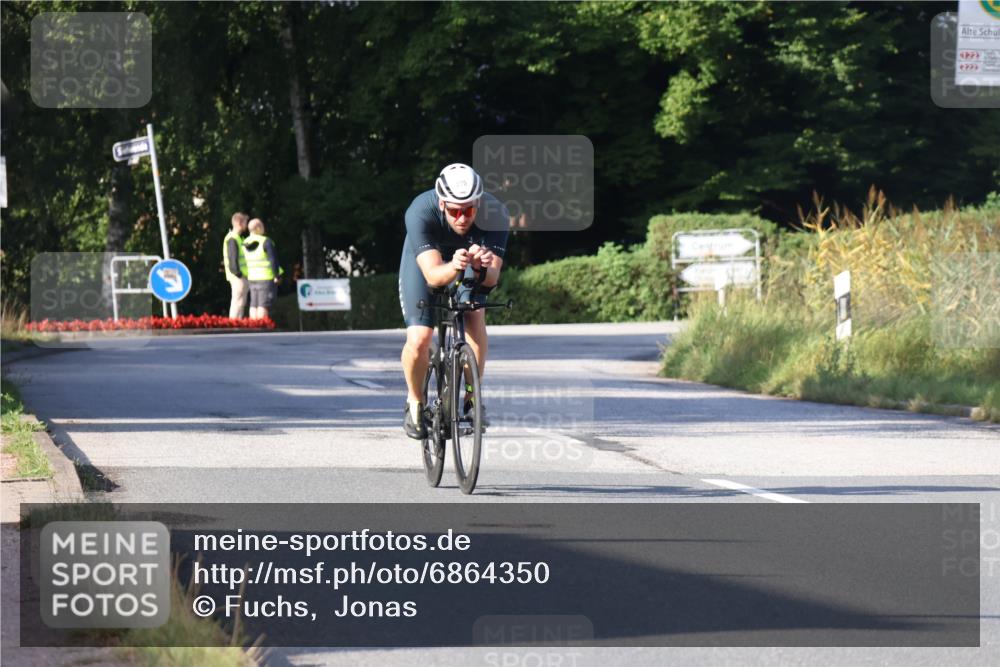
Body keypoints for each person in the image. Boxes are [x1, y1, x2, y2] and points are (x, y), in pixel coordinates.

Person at [399, 163, 509, 439]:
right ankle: (415, 402)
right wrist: (455, 265)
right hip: (428, 263)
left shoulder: (496, 214)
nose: (462, 218)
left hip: (468, 262)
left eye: (469, 211)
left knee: (475, 315)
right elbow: (433, 276)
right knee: (420, 339)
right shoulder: (420, 211)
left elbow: (491, 279)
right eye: (454, 211)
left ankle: (472, 397)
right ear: (441, 204)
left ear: (478, 203)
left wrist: (481, 268)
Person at [243, 218, 282, 320]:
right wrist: (276, 275)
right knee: (263, 304)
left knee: (253, 304)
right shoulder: (266, 241)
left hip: (252, 277)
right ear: (258, 228)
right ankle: (262, 325)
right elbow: (273, 260)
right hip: (265, 278)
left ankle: (253, 326)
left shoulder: (245, 242)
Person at [223, 212, 249, 319]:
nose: (246, 225)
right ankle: (234, 324)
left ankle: (237, 324)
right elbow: (232, 259)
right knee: (238, 303)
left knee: (240, 303)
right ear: (239, 222)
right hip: (238, 277)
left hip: (239, 276)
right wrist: (239, 274)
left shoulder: (236, 237)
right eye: (245, 222)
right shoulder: (233, 238)